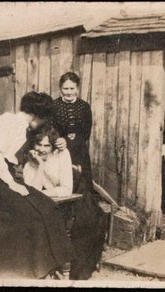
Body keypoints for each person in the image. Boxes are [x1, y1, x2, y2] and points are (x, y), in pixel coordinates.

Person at [0, 92, 75, 279]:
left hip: (7, 178)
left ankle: (54, 263)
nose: (43, 122)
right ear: (37, 116)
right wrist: (12, 184)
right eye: (44, 118)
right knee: (30, 214)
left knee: (47, 206)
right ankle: (34, 269)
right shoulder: (8, 121)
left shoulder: (24, 127)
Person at [52, 72, 107, 280]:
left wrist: (71, 142)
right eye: (65, 89)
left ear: (77, 88)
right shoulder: (55, 106)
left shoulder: (84, 107)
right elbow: (52, 131)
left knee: (84, 199)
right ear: (60, 89)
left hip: (80, 155)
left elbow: (85, 134)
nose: (68, 92)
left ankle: (81, 255)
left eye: (72, 88)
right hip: (60, 154)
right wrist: (61, 142)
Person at [23, 126, 73, 199]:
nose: (42, 149)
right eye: (39, 144)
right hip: (56, 199)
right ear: (33, 144)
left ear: (53, 146)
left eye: (47, 146)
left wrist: (39, 193)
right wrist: (41, 165)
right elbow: (32, 193)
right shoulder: (29, 164)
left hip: (78, 197)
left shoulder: (62, 153)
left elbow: (67, 190)